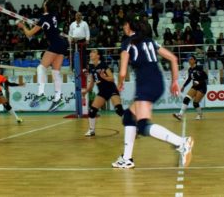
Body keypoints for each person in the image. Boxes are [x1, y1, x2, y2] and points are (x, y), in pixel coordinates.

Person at [112, 16, 194, 169]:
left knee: (142, 126)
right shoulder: (150, 41)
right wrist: (175, 81)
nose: (123, 27)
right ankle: (127, 158)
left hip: (146, 84)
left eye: (124, 24)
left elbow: (122, 72)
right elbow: (173, 58)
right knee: (129, 117)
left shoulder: (127, 44)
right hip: (157, 82)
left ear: (129, 26)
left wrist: (120, 84)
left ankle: (182, 142)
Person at [17, 0, 69, 112]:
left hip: (56, 44)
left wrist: (22, 26)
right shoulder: (54, 14)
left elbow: (29, 34)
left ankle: (40, 94)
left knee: (41, 67)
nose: (44, 1)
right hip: (62, 43)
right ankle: (58, 98)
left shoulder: (44, 19)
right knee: (55, 72)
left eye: (45, 1)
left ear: (45, 6)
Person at [82, 49, 124, 136]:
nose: (91, 53)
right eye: (91, 52)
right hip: (102, 92)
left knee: (119, 110)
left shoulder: (103, 65)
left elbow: (112, 78)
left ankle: (133, 127)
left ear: (98, 56)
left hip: (111, 89)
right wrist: (86, 91)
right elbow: (92, 82)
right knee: (92, 111)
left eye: (94, 52)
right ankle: (91, 130)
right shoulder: (91, 66)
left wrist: (104, 77)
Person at [173, 55, 208, 120]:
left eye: (191, 59)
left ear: (195, 60)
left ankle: (200, 115)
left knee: (195, 103)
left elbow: (206, 77)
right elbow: (189, 79)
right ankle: (180, 115)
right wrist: (183, 86)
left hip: (202, 87)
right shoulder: (190, 69)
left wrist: (198, 82)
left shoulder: (199, 68)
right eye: (189, 59)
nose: (189, 60)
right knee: (186, 99)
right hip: (195, 86)